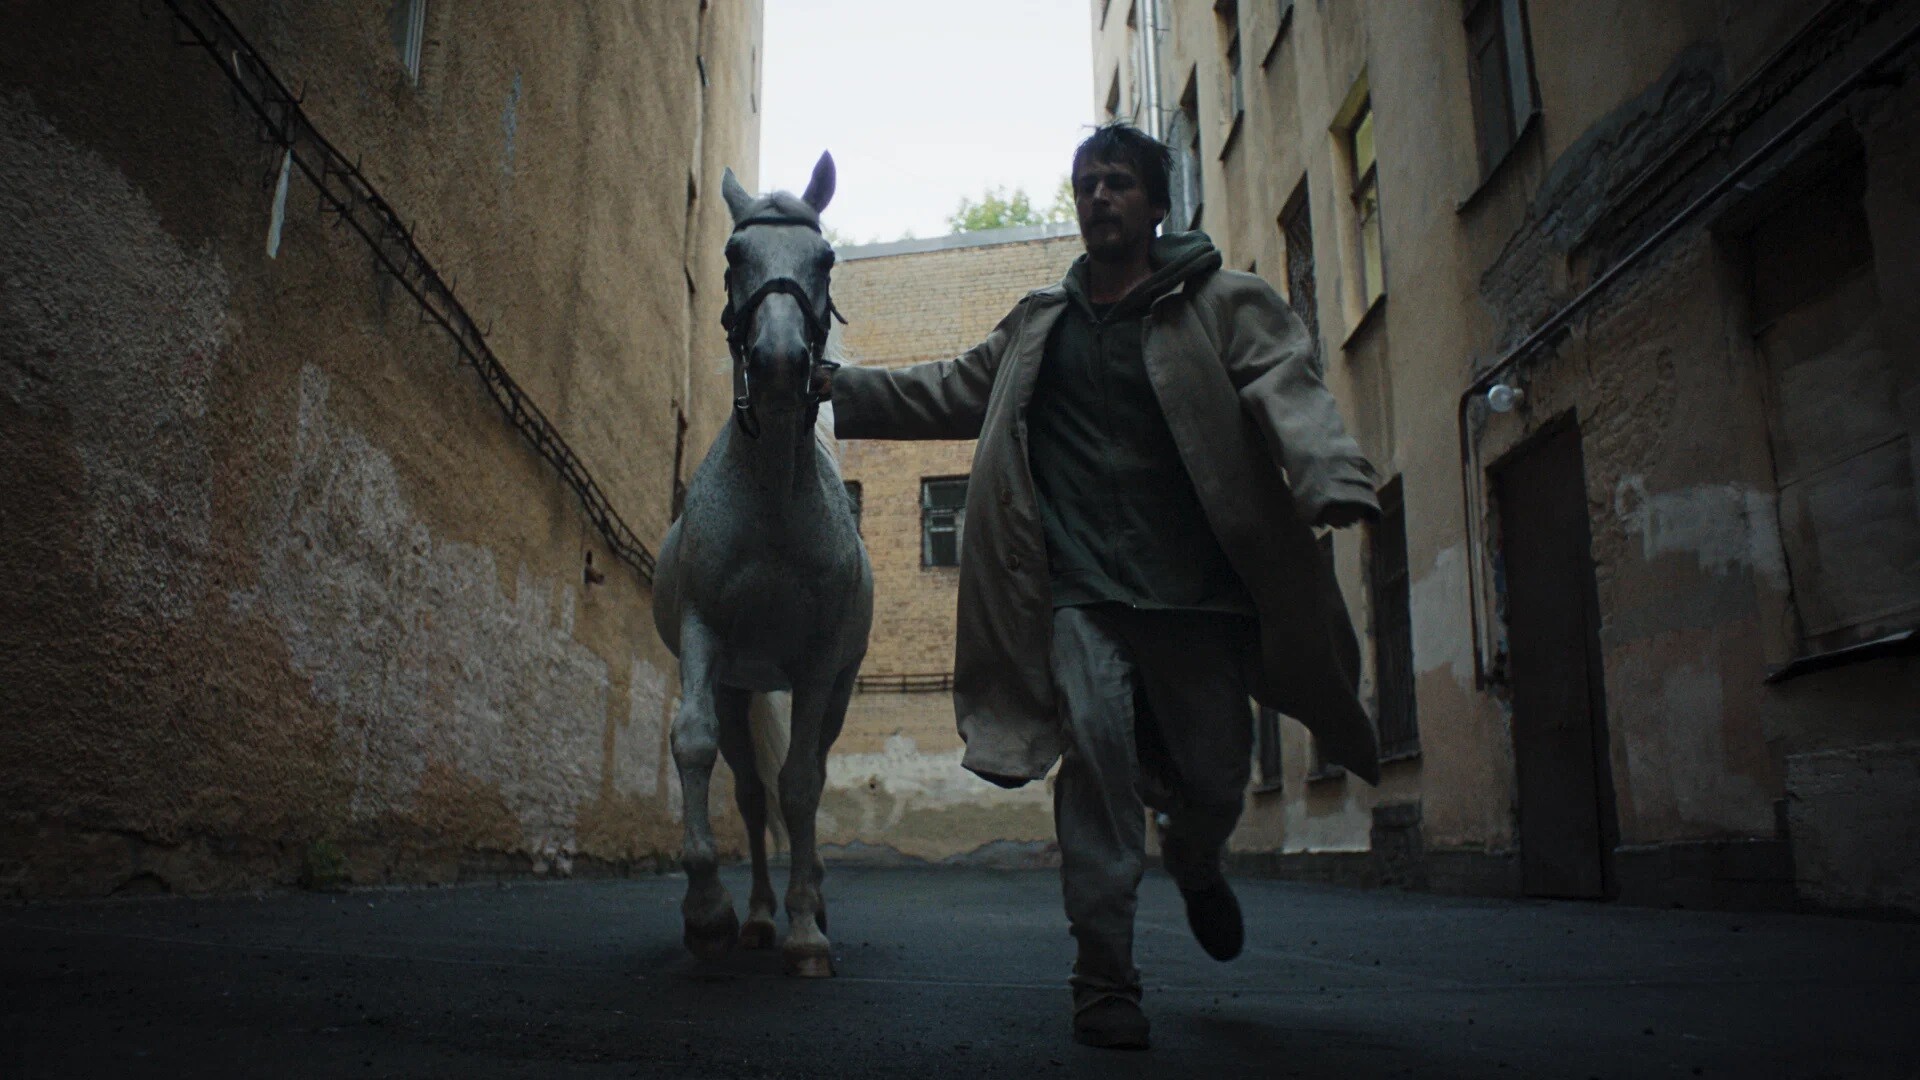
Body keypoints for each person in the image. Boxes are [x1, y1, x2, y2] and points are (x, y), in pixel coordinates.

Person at [828, 123, 1382, 1050]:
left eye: (1119, 183)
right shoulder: (1040, 325)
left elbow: (1289, 384)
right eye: (1087, 184)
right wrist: (827, 387)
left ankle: (1197, 858)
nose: (1100, 198)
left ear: (1158, 204)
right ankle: (1103, 980)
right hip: (1081, 597)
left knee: (1212, 780)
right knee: (1096, 772)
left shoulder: (1220, 305)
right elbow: (946, 390)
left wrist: (1332, 475)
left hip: (1198, 602)